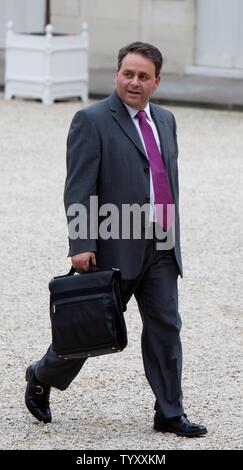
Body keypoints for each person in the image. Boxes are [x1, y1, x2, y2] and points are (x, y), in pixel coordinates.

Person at [25, 41, 207, 438]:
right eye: (128, 74)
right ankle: (41, 374)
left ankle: (169, 411)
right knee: (92, 330)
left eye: (143, 76)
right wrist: (81, 243)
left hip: (160, 244)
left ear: (157, 81)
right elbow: (78, 188)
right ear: (116, 74)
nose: (134, 82)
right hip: (113, 242)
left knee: (165, 327)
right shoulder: (91, 120)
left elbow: (162, 181)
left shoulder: (166, 120)